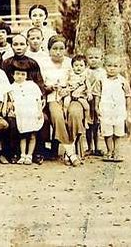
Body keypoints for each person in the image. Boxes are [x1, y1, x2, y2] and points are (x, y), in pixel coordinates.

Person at [39, 35, 80, 166]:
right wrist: (50, 88)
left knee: (75, 113)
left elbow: (77, 80)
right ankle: (70, 151)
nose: (58, 52)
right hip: (52, 97)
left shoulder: (70, 62)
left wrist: (68, 89)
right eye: (54, 48)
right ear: (49, 50)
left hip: (71, 96)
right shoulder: (44, 64)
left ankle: (70, 148)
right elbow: (41, 84)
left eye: (61, 48)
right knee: (57, 116)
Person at [93, 55, 131, 162]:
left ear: (120, 67)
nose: (112, 68)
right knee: (107, 132)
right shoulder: (101, 80)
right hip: (106, 110)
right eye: (109, 66)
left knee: (118, 132)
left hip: (118, 110)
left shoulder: (122, 81)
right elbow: (97, 95)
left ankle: (117, 151)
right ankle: (109, 150)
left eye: (115, 66)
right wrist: (96, 107)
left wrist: (128, 110)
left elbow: (128, 95)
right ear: (105, 66)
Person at [7, 61, 44, 165]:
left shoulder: (32, 85)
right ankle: (22, 155)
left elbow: (38, 100)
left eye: (23, 74)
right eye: (17, 74)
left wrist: (39, 111)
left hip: (32, 112)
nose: (20, 76)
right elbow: (11, 101)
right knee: (23, 135)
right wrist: (11, 110)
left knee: (32, 135)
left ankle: (29, 155)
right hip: (21, 114)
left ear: (27, 75)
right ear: (13, 75)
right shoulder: (11, 87)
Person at [63, 55, 91, 158]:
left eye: (81, 65)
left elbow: (88, 86)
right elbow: (66, 84)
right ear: (72, 66)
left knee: (86, 106)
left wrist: (89, 93)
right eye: (76, 65)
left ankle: (87, 120)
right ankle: (65, 117)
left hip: (80, 96)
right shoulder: (70, 75)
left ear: (85, 67)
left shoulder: (84, 76)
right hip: (71, 94)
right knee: (66, 103)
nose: (78, 68)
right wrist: (66, 89)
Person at [85, 47, 105, 156]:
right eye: (91, 58)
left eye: (96, 58)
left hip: (98, 101)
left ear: (101, 59)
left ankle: (97, 147)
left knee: (96, 125)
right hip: (88, 100)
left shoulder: (103, 72)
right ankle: (89, 147)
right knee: (89, 125)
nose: (93, 60)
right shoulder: (85, 71)